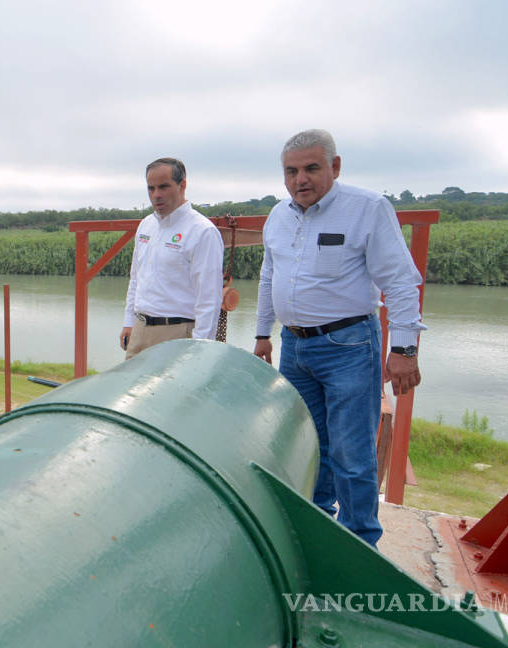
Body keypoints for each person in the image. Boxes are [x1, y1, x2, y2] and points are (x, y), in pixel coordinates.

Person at [253, 129, 425, 548]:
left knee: (352, 453)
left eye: (312, 168)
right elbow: (269, 276)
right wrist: (262, 333)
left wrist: (403, 349)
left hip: (349, 345)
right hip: (294, 346)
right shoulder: (278, 216)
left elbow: (401, 283)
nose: (300, 179)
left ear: (335, 166)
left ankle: (360, 544)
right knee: (308, 446)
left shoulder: (367, 209)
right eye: (291, 171)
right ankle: (316, 532)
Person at [120, 158, 224, 358]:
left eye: (164, 187)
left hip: (177, 333)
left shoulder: (202, 231)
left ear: (182, 185)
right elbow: (136, 278)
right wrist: (129, 322)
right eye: (151, 188)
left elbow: (209, 298)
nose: (156, 195)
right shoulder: (146, 226)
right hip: (140, 330)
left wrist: (200, 348)